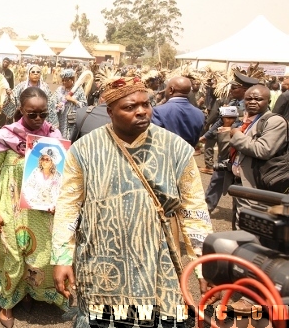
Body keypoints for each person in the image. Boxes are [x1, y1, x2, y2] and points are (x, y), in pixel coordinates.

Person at [52, 75, 214, 328]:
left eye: (146, 104)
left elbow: (194, 211)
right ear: (111, 112)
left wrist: (204, 265)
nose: (141, 112)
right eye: (130, 107)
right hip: (101, 266)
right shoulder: (83, 150)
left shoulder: (177, 149)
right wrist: (62, 257)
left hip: (157, 264)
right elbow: (68, 206)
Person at [0, 87, 68, 328]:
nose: (39, 119)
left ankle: (32, 293)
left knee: (40, 258)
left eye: (43, 113)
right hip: (10, 211)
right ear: (21, 110)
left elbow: (59, 176)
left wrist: (57, 199)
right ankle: (8, 302)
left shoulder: (53, 137)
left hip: (41, 213)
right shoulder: (5, 137)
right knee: (12, 259)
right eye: (32, 114)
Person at [228, 84, 288, 225]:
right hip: (241, 183)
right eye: (248, 99)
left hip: (257, 186)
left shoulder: (275, 121)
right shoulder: (250, 120)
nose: (253, 102)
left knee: (250, 227)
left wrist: (237, 135)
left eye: (258, 99)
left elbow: (263, 150)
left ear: (269, 102)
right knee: (238, 224)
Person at [151, 76, 206, 147]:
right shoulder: (199, 114)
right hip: (188, 155)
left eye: (166, 89)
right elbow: (196, 139)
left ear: (171, 90)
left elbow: (155, 139)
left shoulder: (158, 111)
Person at [204, 106, 240, 213]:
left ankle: (238, 213)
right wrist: (205, 136)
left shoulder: (239, 125)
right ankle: (207, 208)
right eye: (225, 117)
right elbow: (216, 125)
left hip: (238, 159)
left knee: (238, 187)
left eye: (230, 118)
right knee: (216, 181)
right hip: (224, 159)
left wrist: (230, 130)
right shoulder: (221, 126)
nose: (227, 120)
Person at [5, 64, 58, 128]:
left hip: (40, 117)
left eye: (38, 72)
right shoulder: (21, 86)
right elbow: (13, 98)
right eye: (33, 72)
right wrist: (9, 95)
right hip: (25, 116)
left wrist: (53, 123)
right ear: (28, 74)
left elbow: (50, 103)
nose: (36, 74)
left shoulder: (45, 87)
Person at [54, 68, 87, 139]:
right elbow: (52, 103)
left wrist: (73, 100)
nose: (64, 82)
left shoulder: (79, 90)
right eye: (63, 80)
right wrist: (57, 105)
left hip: (73, 121)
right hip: (61, 120)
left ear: (72, 80)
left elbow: (84, 105)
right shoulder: (59, 90)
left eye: (67, 80)